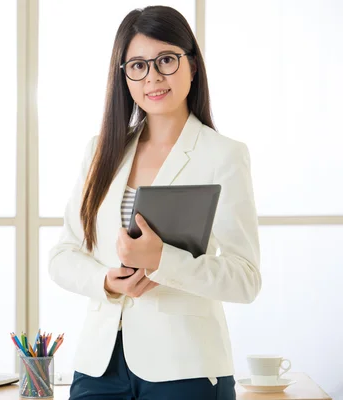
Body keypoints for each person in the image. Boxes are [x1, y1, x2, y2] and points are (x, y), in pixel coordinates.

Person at [48, 5, 261, 400]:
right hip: (99, 369)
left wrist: (162, 259)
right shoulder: (101, 152)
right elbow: (62, 255)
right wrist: (106, 281)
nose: (153, 77)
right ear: (123, 75)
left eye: (166, 60)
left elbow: (245, 279)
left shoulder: (224, 156)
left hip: (185, 368)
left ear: (192, 66)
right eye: (138, 66)